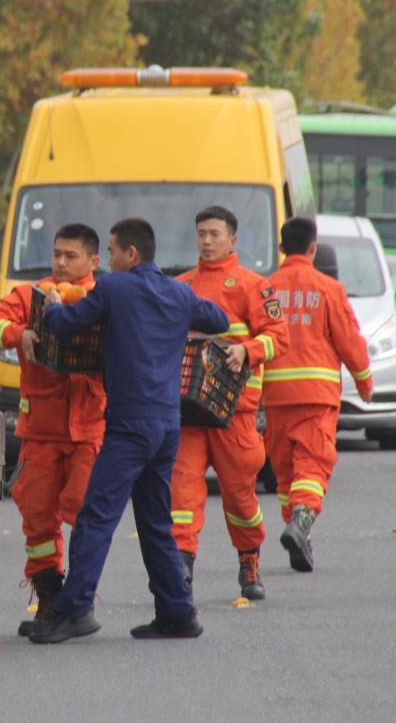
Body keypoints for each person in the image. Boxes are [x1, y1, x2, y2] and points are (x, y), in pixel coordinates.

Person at [27, 218, 228, 644]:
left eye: (113, 252)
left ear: (131, 254)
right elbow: (218, 319)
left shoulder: (114, 288)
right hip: (167, 426)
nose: (110, 260)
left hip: (129, 426)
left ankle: (74, 610)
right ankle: (177, 612)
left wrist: (52, 305)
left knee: (96, 517)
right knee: (155, 522)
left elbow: (65, 325)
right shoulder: (178, 292)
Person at [0, 224, 107, 636]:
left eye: (71, 256)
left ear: (93, 261)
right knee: (36, 516)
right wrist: (20, 334)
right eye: (56, 254)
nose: (61, 263)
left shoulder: (104, 298)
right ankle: (50, 600)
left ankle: (79, 602)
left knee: (83, 510)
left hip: (88, 429)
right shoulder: (29, 295)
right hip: (41, 431)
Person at [171, 206, 289, 601]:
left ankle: (249, 559)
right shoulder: (181, 285)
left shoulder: (254, 286)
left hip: (233, 414)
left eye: (214, 234)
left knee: (240, 498)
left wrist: (247, 350)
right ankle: (181, 568)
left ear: (232, 240)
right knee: (181, 495)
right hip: (189, 411)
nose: (206, 241)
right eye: (201, 233)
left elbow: (279, 337)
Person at [262, 217, 373, 573]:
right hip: (316, 395)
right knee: (312, 466)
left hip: (275, 396)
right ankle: (301, 523)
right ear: (313, 248)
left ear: (282, 248)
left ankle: (299, 532)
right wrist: (364, 380)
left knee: (285, 471)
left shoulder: (265, 289)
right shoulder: (329, 289)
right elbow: (348, 339)